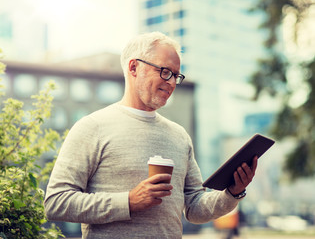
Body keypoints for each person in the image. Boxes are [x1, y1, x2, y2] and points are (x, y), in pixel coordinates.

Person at [44, 31, 258, 239]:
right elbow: (56, 202)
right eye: (165, 72)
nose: (172, 82)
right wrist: (128, 202)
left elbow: (194, 207)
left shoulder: (179, 136)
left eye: (176, 75)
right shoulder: (92, 127)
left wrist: (232, 192)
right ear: (134, 67)